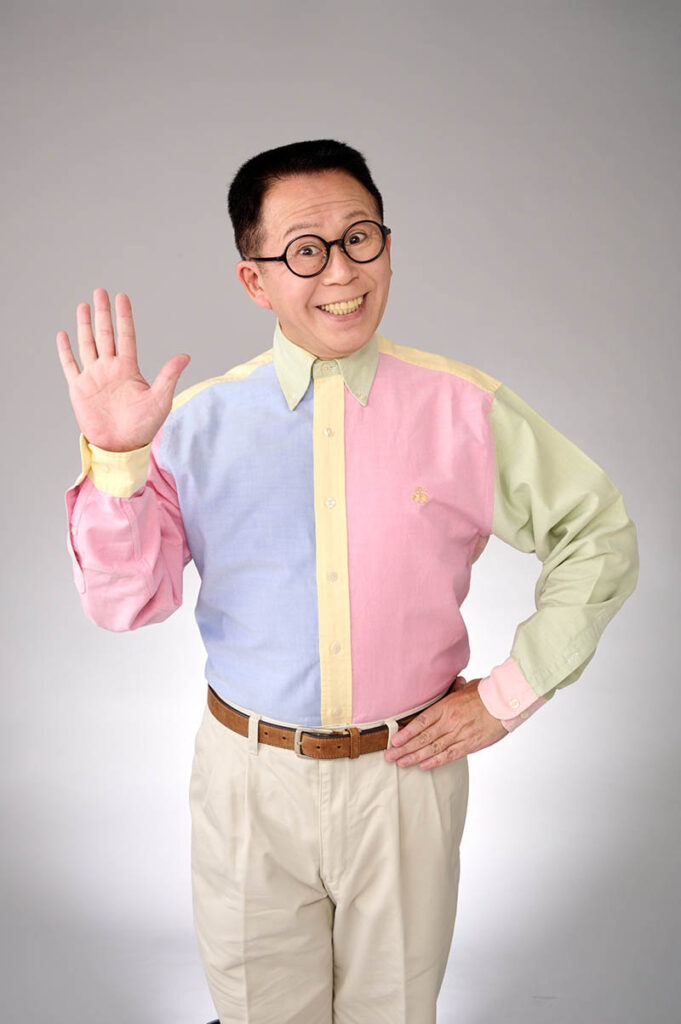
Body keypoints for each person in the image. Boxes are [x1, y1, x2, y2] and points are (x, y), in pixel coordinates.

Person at [56, 139, 639, 1024]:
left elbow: (595, 533)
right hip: (248, 781)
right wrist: (118, 459)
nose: (340, 271)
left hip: (406, 777)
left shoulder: (462, 408)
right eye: (304, 250)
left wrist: (507, 696)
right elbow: (126, 603)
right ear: (255, 281)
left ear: (387, 246)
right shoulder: (193, 425)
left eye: (359, 237)